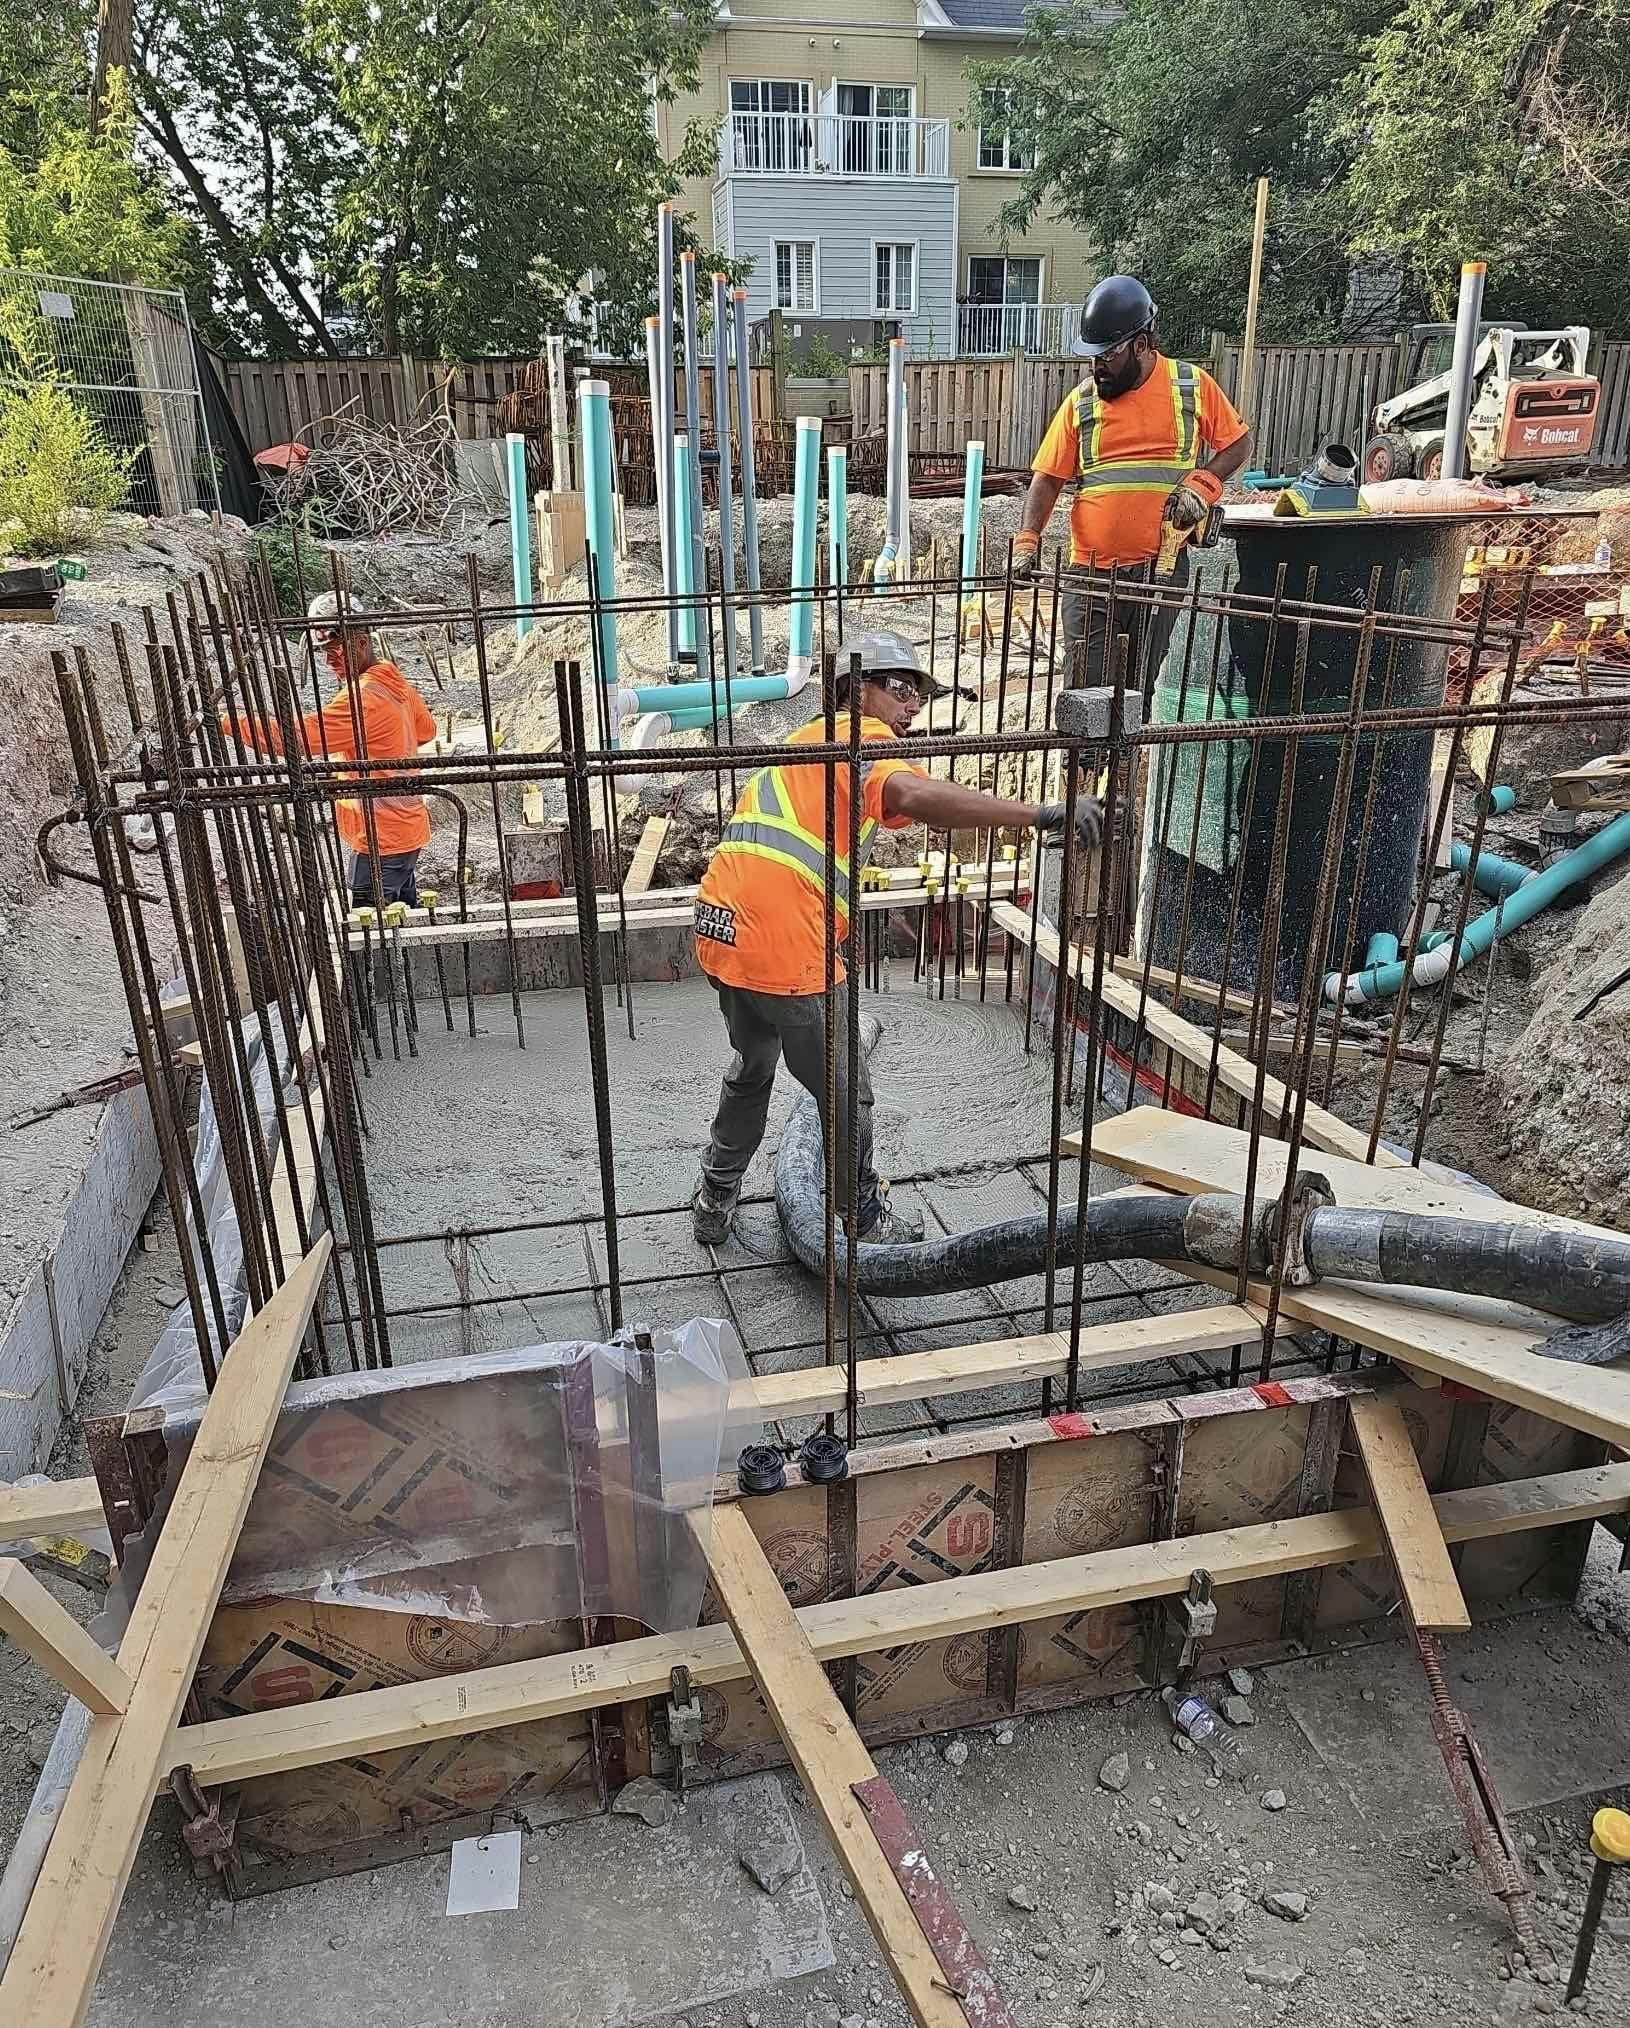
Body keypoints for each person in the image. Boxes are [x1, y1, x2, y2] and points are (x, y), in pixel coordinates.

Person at [690, 630, 1101, 1246]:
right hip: (784, 943)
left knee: (753, 1065)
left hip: (721, 927)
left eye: (920, 697)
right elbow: (911, 794)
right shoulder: (862, 739)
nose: (912, 707)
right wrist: (1040, 814)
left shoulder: (803, 743)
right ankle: (861, 1214)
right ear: (858, 691)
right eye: (901, 690)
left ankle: (715, 1195)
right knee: (847, 1093)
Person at [1013, 275, 1252, 689]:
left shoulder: (1189, 387)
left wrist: (1202, 485)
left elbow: (1238, 443)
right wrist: (1027, 540)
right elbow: (1048, 478)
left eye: (1107, 355)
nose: (1096, 366)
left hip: (1159, 568)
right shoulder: (1083, 401)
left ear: (1141, 345)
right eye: (1092, 357)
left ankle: (1126, 757)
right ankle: (1085, 758)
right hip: (1089, 573)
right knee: (1085, 693)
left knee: (1135, 690)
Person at [229, 592, 436, 905]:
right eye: (323, 652)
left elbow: (300, 738)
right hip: (402, 828)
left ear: (362, 642)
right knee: (402, 917)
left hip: (382, 835)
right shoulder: (394, 682)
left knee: (371, 929)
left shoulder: (367, 697)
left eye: (334, 649)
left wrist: (229, 723)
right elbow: (426, 730)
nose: (328, 660)